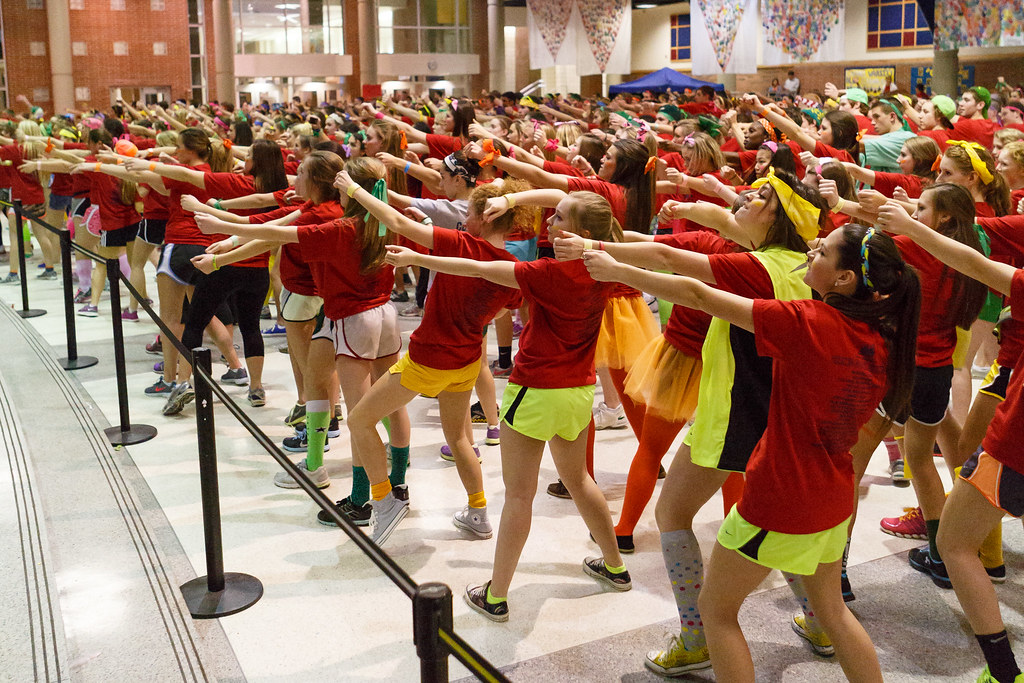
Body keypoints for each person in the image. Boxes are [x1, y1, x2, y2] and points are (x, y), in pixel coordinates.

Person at [877, 200, 1024, 683]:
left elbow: (974, 262)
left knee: (956, 547)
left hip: (1015, 443)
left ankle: (1004, 672)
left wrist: (911, 229)